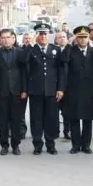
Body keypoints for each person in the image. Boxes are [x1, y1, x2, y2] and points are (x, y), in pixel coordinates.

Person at [22, 22, 67, 155]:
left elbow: (61, 71)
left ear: (49, 35)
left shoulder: (55, 49)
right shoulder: (31, 50)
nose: (43, 36)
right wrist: (28, 46)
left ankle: (50, 144)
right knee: (36, 119)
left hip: (52, 90)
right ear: (37, 35)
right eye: (40, 34)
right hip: (35, 90)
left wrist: (60, 89)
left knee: (51, 118)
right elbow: (24, 67)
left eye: (45, 34)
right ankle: (37, 144)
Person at [62, 26, 93, 154]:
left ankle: (86, 145)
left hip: (89, 91)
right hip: (74, 90)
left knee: (87, 119)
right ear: (76, 38)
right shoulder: (70, 51)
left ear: (88, 38)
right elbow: (63, 60)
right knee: (74, 119)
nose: (82, 40)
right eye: (80, 37)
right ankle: (75, 145)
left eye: (85, 37)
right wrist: (68, 44)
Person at [0, 28, 26, 155]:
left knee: (16, 119)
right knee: (3, 120)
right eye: (3, 38)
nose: (5, 40)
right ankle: (4, 145)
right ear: (0, 40)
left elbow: (24, 73)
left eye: (8, 37)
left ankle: (16, 145)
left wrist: (24, 90)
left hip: (17, 91)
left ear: (13, 38)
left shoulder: (20, 53)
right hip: (2, 91)